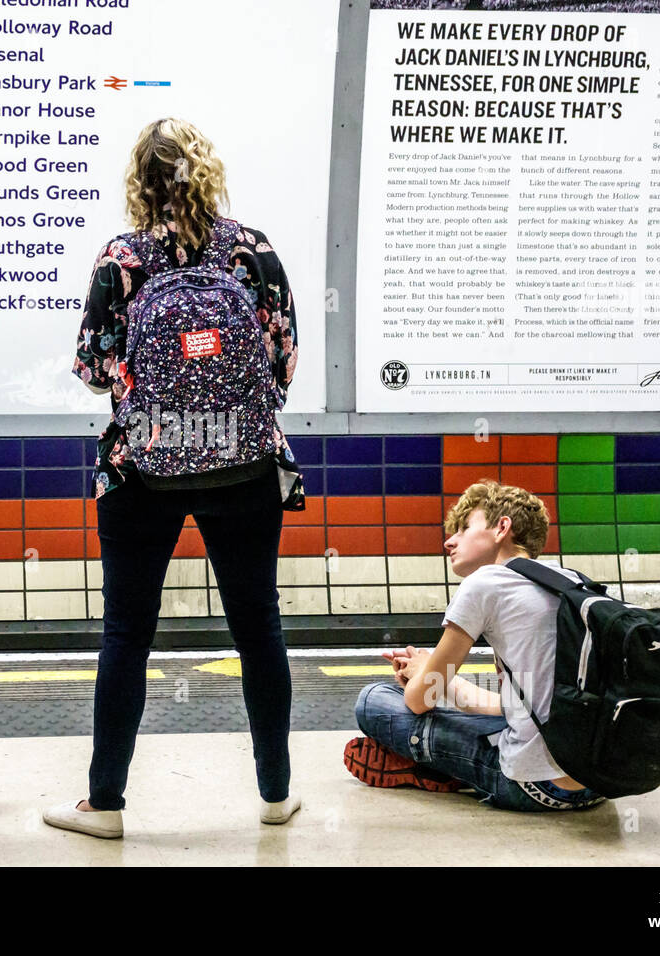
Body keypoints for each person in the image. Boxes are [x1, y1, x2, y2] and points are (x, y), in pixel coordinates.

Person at [44, 117, 304, 838]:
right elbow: (283, 361)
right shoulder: (252, 250)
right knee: (259, 626)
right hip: (246, 466)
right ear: (207, 171)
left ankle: (105, 805)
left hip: (141, 471)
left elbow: (95, 370)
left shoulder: (123, 258)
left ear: (139, 180)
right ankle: (276, 793)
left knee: (127, 632)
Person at [345, 479, 608, 811]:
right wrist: (434, 677)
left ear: (502, 528)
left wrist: (425, 674)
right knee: (485, 716)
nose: (449, 541)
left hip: (534, 788)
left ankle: (440, 767)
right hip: (600, 782)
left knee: (374, 701)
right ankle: (451, 767)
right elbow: (518, 707)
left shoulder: (484, 582)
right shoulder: (572, 580)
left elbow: (418, 701)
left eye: (465, 528)